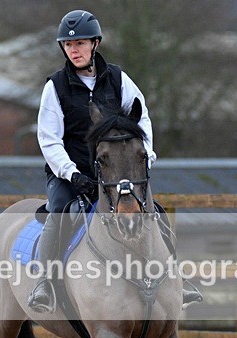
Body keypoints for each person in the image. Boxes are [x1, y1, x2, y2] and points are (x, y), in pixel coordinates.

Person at [29, 9, 201, 313]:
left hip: (117, 171)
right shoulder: (54, 87)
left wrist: (145, 157)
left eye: (80, 43)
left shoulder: (119, 79)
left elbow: (141, 118)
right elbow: (49, 139)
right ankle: (45, 283)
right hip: (71, 173)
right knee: (59, 212)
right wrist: (72, 174)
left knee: (155, 211)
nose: (74, 50)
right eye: (68, 45)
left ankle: (177, 279)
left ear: (95, 43)